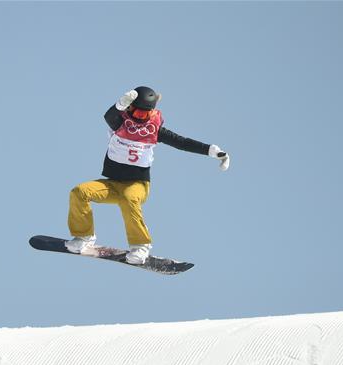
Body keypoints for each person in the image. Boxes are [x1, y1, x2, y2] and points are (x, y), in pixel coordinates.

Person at [66, 86, 230, 264]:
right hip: (112, 184)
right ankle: (84, 237)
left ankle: (141, 246)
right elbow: (109, 116)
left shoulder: (154, 130)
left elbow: (182, 143)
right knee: (79, 192)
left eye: (145, 115)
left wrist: (210, 151)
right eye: (137, 112)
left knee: (129, 198)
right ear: (129, 108)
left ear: (152, 112)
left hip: (137, 185)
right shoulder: (120, 122)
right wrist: (119, 104)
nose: (139, 118)